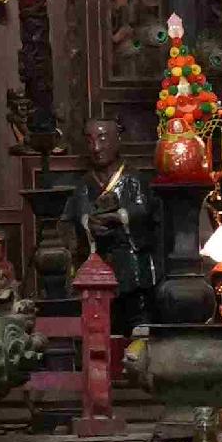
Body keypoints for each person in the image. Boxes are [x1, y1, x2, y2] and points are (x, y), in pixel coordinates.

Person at [66, 115, 162, 333]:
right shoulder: (85, 183)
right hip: (98, 265)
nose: (96, 147)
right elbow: (79, 213)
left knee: (138, 321)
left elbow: (143, 211)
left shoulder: (132, 179)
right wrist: (89, 224)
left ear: (117, 140)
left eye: (102, 138)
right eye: (90, 140)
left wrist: (119, 217)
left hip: (132, 264)